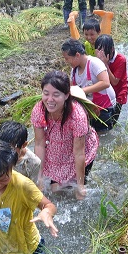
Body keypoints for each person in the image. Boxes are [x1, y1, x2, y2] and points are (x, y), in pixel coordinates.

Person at [31, 70, 99, 199]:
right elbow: (39, 144)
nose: (49, 99)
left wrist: (80, 186)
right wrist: (39, 177)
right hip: (57, 149)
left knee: (77, 193)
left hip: (80, 151)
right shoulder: (38, 110)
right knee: (55, 189)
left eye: (56, 94)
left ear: (67, 95)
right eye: (46, 93)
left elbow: (79, 153)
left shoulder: (77, 116)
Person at [63, 39, 116, 132]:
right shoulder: (74, 70)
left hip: (104, 107)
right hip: (90, 107)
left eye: (67, 58)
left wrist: (82, 91)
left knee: (104, 133)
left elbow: (105, 82)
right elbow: (72, 88)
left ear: (77, 55)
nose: (66, 61)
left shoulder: (94, 63)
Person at [94, 34, 128, 128]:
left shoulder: (121, 60)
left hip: (119, 93)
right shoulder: (97, 58)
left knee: (112, 122)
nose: (100, 53)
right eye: (98, 50)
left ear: (112, 49)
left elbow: (115, 82)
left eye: (103, 50)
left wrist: (105, 64)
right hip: (106, 93)